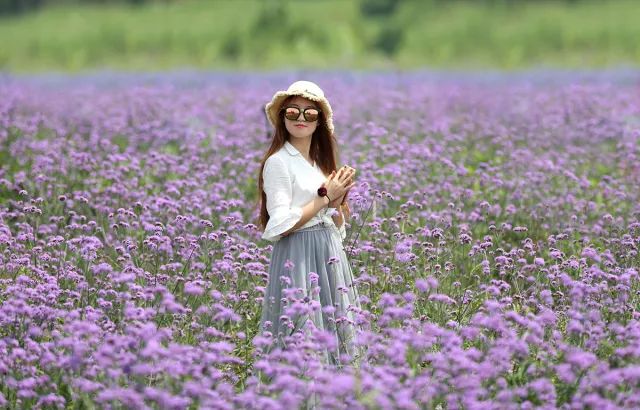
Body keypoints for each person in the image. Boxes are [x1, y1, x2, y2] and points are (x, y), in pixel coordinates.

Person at [255, 80, 365, 370]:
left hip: (328, 252)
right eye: (293, 112)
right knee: (303, 331)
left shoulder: (318, 164)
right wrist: (325, 196)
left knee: (334, 329)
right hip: (299, 255)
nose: (301, 119)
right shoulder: (278, 162)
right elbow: (280, 223)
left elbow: (336, 223)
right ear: (282, 118)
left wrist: (338, 201)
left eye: (310, 114)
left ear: (320, 122)